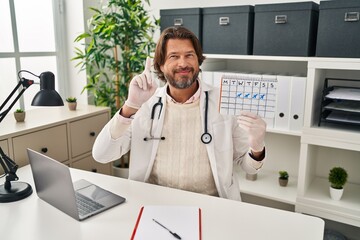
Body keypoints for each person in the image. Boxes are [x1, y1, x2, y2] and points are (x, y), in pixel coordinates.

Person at [92, 26, 266, 201]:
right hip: (154, 201)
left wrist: (257, 147)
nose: (183, 63)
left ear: (198, 61)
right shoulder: (144, 104)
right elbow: (102, 154)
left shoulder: (224, 102)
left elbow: (248, 166)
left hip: (212, 203)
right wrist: (130, 106)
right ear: (160, 64)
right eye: (173, 56)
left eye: (189, 55)